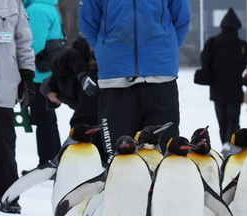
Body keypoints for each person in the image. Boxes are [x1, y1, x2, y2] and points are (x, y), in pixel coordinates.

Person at [80, 0, 191, 162]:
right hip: (115, 81)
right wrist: (110, 51)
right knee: (119, 156)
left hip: (160, 78)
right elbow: (88, 25)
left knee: (165, 155)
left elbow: (182, 20)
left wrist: (164, 47)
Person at [0, 0, 35, 213]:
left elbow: (23, 40)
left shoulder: (12, 2)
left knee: (3, 144)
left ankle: (9, 196)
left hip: (2, 85)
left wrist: (27, 74)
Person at [41, 36, 107, 163]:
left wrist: (82, 76)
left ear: (49, 92)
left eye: (51, 100)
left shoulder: (57, 67)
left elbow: (72, 56)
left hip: (99, 78)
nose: (55, 102)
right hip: (97, 94)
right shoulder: (67, 95)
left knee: (80, 126)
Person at [200, 7, 247, 154]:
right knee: (234, 120)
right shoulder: (243, 45)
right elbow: (243, 63)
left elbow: (205, 61)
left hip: (217, 89)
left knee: (222, 121)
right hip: (235, 89)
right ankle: (231, 142)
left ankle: (225, 143)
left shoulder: (212, 42)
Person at [22, 0, 63, 170]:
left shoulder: (37, 9)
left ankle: (47, 164)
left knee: (43, 119)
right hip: (46, 72)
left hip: (39, 73)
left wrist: (19, 63)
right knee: (48, 119)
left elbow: (34, 43)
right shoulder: (46, 6)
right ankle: (55, 161)